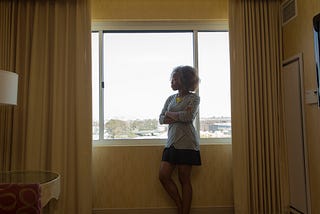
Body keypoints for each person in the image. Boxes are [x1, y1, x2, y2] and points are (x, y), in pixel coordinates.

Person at [158, 65, 201, 214]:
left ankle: (184, 212)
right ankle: (180, 206)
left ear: (183, 80)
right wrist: (176, 115)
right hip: (172, 142)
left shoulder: (194, 98)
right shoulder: (170, 98)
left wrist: (171, 114)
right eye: (172, 79)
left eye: (174, 79)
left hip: (187, 142)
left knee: (184, 180)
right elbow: (161, 119)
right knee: (163, 176)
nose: (171, 82)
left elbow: (188, 117)